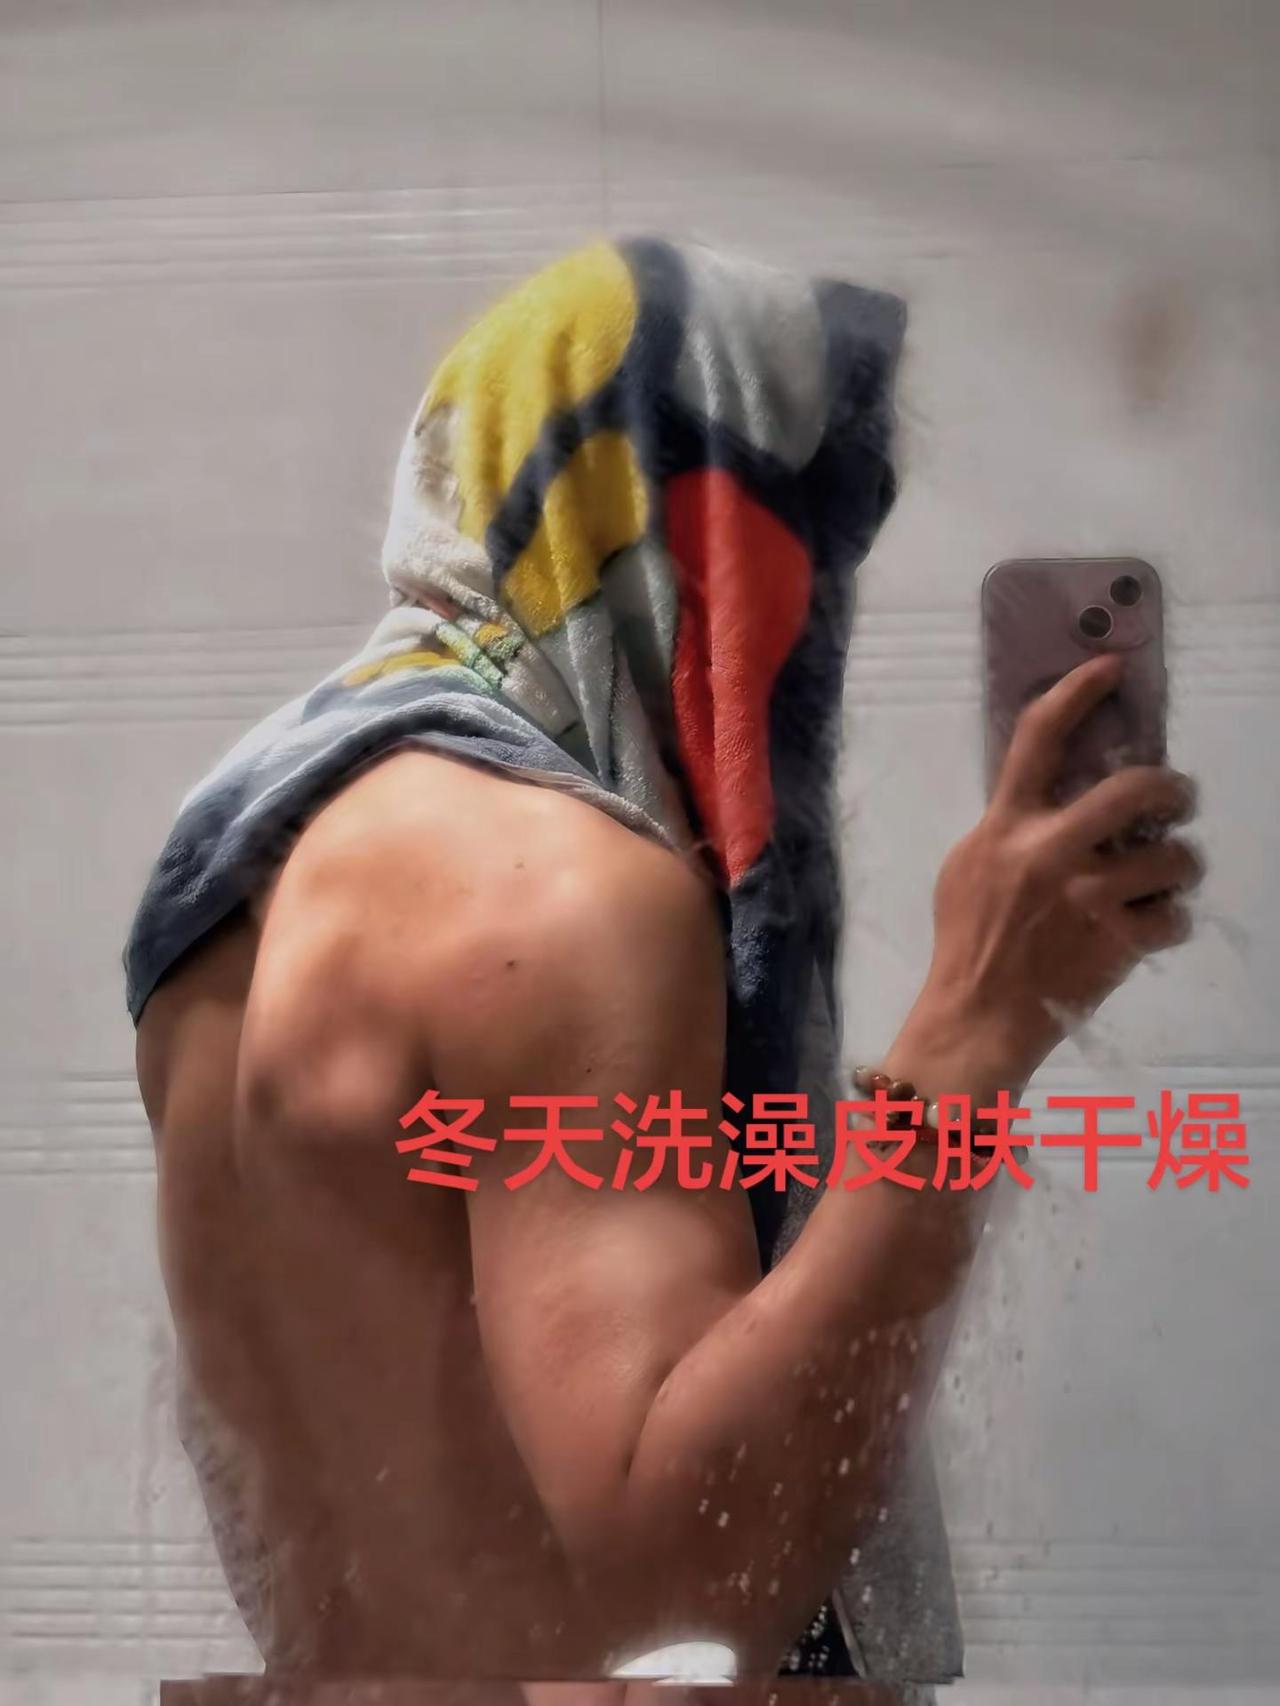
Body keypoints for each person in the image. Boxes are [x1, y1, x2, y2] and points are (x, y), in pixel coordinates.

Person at [126, 239, 1201, 1683]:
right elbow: (684, 1596)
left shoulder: (236, 872)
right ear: (705, 535)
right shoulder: (560, 890)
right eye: (808, 553)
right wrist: (976, 1027)